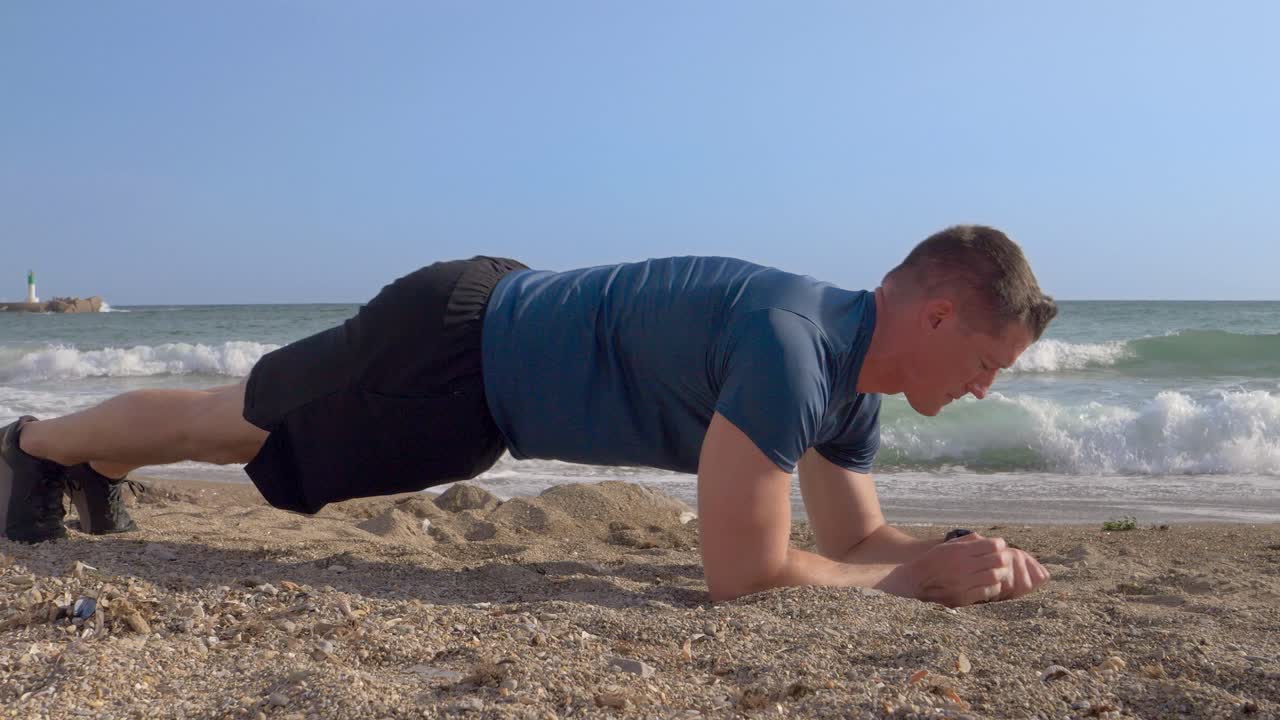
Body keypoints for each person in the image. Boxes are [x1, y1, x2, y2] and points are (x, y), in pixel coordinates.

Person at [1, 225, 1057, 607]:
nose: (981, 388)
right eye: (981, 360)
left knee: (234, 432)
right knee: (226, 424)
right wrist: (908, 581)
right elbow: (744, 574)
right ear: (933, 311)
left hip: (482, 392)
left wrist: (953, 556)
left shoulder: (849, 389)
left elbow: (853, 542)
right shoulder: (794, 348)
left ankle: (87, 467)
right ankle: (35, 449)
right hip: (452, 348)